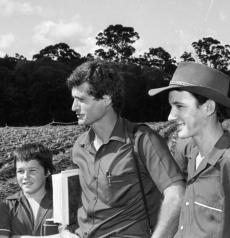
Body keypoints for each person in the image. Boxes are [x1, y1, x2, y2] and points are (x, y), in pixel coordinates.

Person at [66, 60, 185, 238]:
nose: (73, 107)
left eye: (81, 100)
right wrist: (65, 230)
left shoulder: (142, 140)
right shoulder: (80, 146)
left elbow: (177, 195)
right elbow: (77, 199)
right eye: (74, 99)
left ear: (106, 99)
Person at [148, 61, 230, 238]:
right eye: (171, 107)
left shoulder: (227, 162)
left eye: (180, 106)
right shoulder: (192, 155)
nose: (171, 116)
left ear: (208, 108)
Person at [0, 143, 60, 238]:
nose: (25, 177)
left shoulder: (62, 202)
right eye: (20, 171)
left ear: (47, 172)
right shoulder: (8, 206)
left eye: (32, 170)